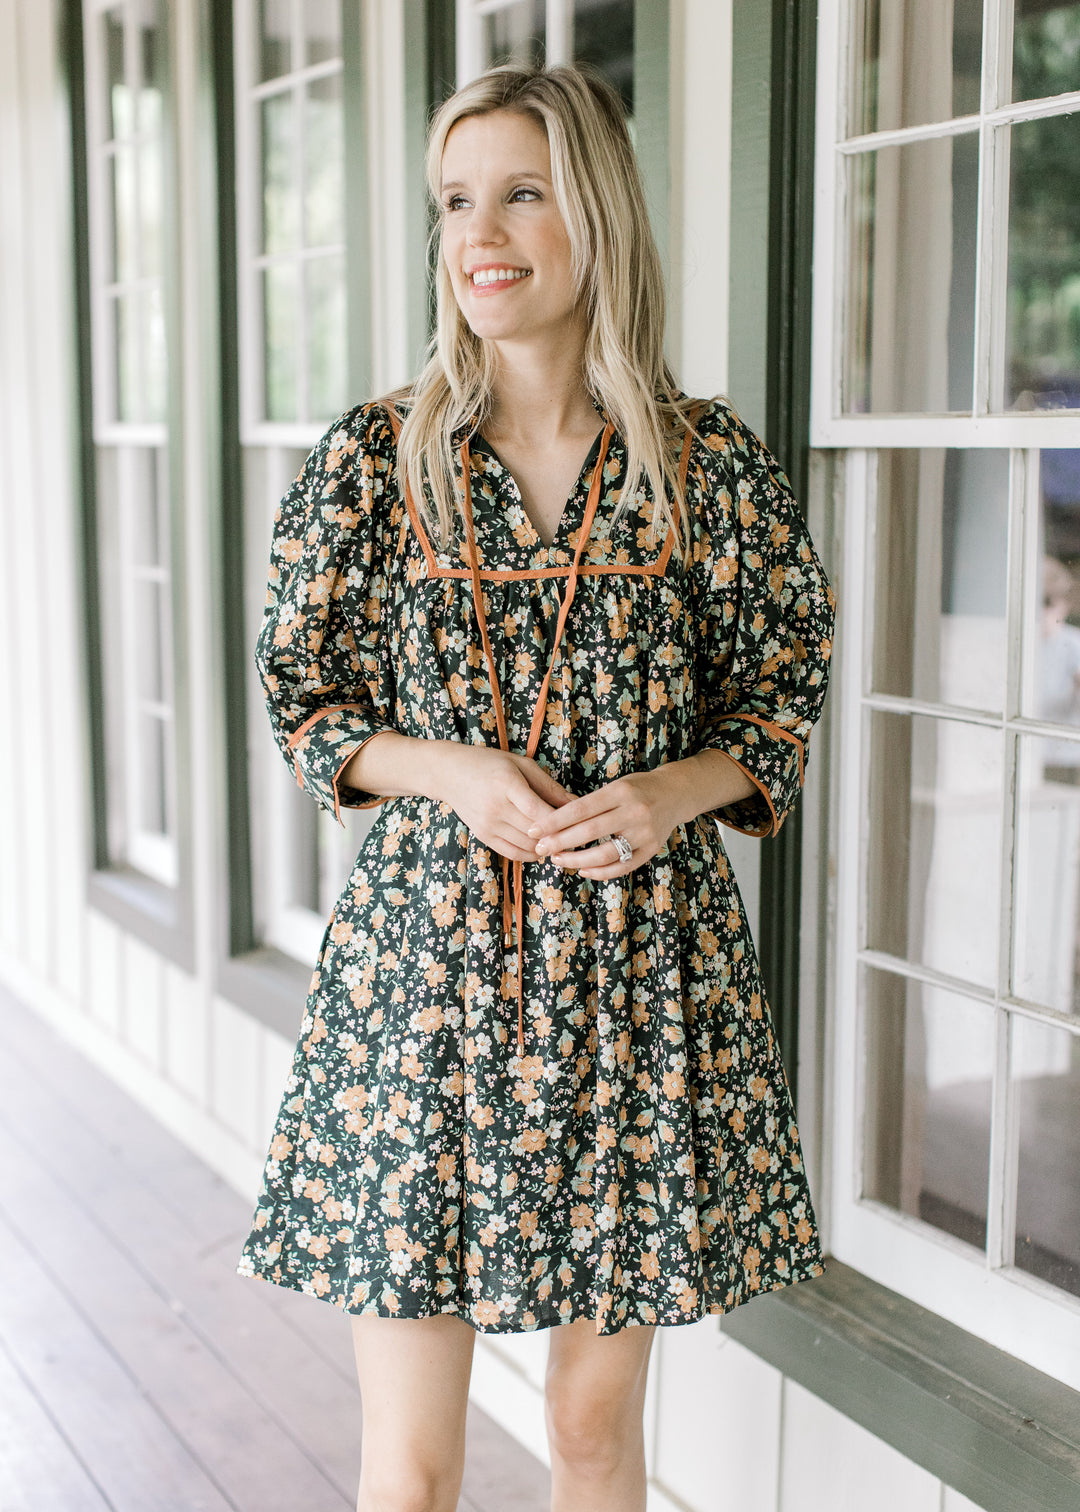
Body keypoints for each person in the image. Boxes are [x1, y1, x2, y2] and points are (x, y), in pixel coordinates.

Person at [237, 62, 835, 1512]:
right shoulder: (379, 465)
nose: (479, 233)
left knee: (587, 1431)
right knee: (417, 1468)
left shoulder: (707, 468)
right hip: (427, 992)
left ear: (599, 215)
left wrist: (669, 795)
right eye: (455, 200)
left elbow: (778, 700)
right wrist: (445, 770)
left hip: (636, 985)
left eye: (520, 190)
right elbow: (303, 699)